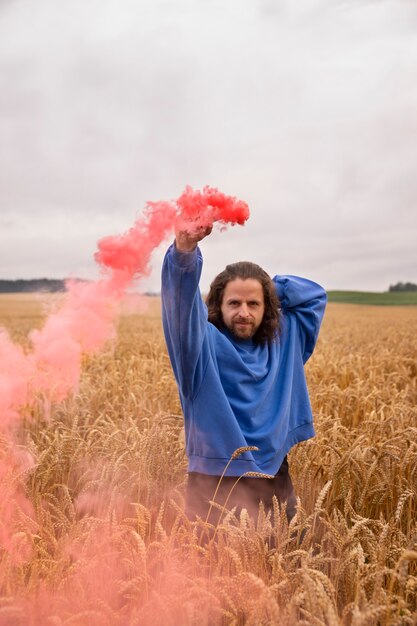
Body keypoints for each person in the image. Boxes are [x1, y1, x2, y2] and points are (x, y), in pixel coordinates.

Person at [161, 224, 327, 526]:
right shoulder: (199, 349)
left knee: (284, 567)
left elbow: (314, 296)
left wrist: (265, 285)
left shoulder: (285, 340)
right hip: (214, 485)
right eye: (234, 302)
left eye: (254, 303)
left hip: (276, 477)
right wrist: (184, 252)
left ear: (269, 307)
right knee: (209, 571)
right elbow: (180, 310)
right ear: (217, 304)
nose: (244, 312)